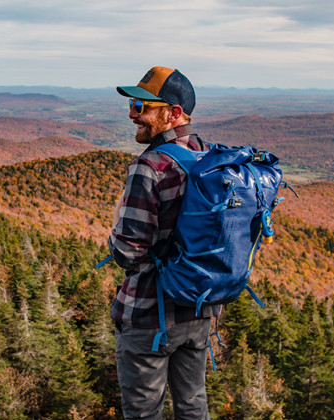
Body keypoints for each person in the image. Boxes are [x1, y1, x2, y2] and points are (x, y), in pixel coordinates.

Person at [108, 66, 220, 419]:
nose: (132, 114)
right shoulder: (210, 156)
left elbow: (128, 253)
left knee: (144, 413)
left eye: (142, 107)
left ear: (173, 114)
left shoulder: (149, 167)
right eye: (132, 105)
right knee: (192, 406)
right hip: (199, 310)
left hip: (148, 316)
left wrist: (114, 227)